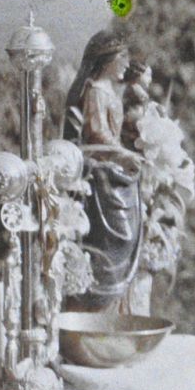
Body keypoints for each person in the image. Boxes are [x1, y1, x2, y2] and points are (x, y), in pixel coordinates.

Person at [62, 28, 147, 311]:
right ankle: (100, 294)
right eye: (122, 58)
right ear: (108, 60)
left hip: (112, 165)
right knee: (121, 233)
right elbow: (97, 133)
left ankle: (114, 301)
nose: (126, 64)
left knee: (130, 227)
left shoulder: (110, 90)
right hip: (100, 170)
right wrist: (122, 154)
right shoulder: (96, 91)